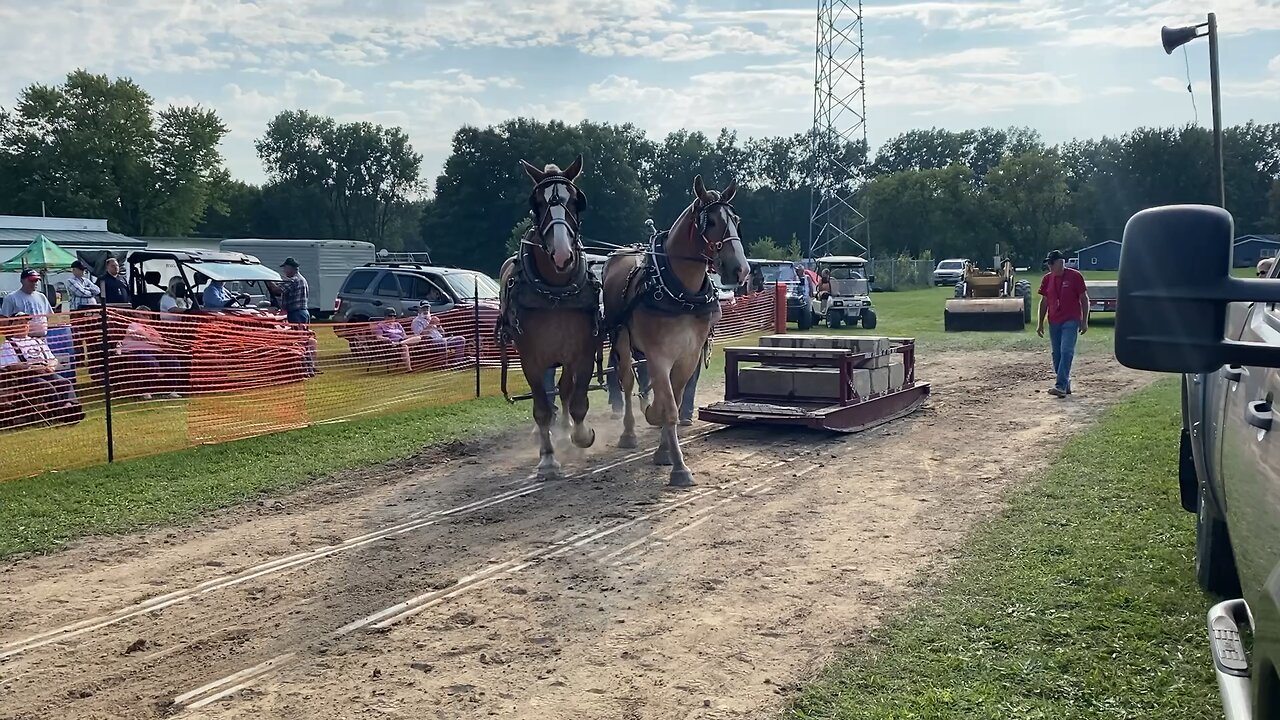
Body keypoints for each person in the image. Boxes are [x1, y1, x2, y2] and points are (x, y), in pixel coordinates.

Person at [1036, 249, 1089, 398]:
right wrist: (1040, 323)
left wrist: (1084, 321)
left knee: (1066, 351)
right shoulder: (1047, 279)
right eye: (1048, 264)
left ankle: (1060, 385)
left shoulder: (1075, 276)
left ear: (1061, 263)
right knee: (1057, 354)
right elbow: (1044, 301)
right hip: (1054, 321)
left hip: (1071, 320)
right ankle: (1065, 384)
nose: (1050, 267)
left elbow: (1084, 299)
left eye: (1052, 264)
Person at [0, 313, 78, 413]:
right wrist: (33, 368)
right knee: (46, 386)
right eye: (20, 322)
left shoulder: (37, 341)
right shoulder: (8, 344)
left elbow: (53, 359)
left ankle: (70, 407)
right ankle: (61, 412)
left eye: (25, 322)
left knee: (65, 382)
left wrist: (51, 366)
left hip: (45, 371)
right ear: (12, 326)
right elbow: (11, 366)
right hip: (26, 377)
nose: (24, 325)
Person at [116, 309, 183, 400]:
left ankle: (170, 390)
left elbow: (161, 341)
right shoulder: (133, 325)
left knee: (173, 361)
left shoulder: (151, 328)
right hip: (136, 352)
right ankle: (146, 392)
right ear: (137, 315)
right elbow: (141, 334)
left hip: (155, 351)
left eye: (149, 315)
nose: (147, 317)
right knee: (150, 362)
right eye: (144, 315)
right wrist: (153, 340)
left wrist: (167, 346)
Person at [1, 269, 53, 337]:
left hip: (41, 340)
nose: (35, 283)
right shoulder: (11, 298)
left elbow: (49, 316)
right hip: (21, 341)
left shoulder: (42, 297)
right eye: (31, 280)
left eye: (36, 280)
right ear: (22, 281)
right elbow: (3, 321)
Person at [411, 302, 465, 366]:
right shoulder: (416, 321)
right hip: (429, 341)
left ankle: (458, 363)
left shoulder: (431, 318)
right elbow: (420, 335)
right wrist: (430, 324)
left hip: (441, 338)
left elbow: (443, 333)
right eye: (423, 308)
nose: (426, 310)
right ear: (419, 309)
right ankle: (444, 364)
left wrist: (439, 325)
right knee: (442, 341)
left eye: (427, 308)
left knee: (461, 339)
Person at [372, 307, 420, 371]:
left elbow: (404, 336)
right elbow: (378, 337)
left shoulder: (397, 324)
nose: (392, 317)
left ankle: (400, 343)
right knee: (404, 347)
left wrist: (413, 336)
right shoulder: (380, 325)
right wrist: (387, 339)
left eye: (394, 316)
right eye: (390, 316)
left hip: (402, 341)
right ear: (385, 316)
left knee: (418, 337)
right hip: (391, 344)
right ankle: (409, 369)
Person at [278, 257, 311, 325]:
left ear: (291, 268)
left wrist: (269, 282)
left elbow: (278, 290)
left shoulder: (294, 280)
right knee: (302, 333)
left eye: (285, 268)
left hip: (296, 313)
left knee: (298, 333)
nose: (284, 271)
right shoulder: (301, 279)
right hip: (302, 312)